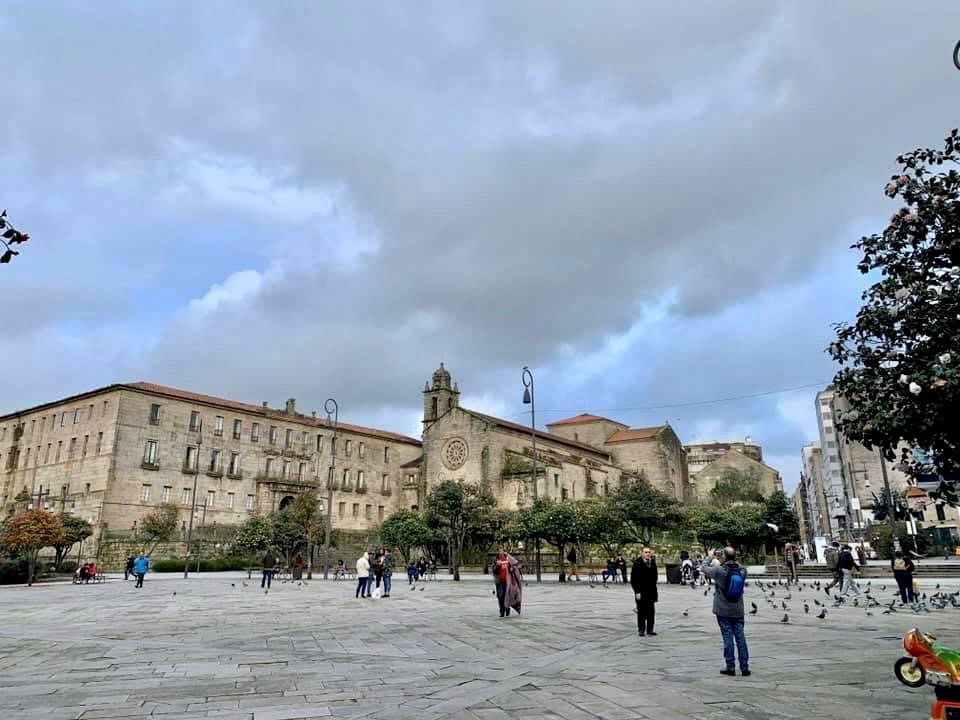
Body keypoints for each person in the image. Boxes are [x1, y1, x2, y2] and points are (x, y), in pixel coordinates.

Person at [701, 546, 750, 677]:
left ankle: (730, 666)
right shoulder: (742, 570)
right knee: (740, 637)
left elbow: (704, 568)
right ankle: (744, 667)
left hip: (723, 609)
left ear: (724, 557)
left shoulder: (719, 570)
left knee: (727, 636)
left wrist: (710, 557)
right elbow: (738, 565)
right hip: (738, 609)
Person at [631, 547, 658, 636]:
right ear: (641, 553)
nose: (648, 554)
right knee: (641, 611)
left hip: (651, 591)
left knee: (651, 612)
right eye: (646, 552)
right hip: (641, 591)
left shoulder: (652, 562)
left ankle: (650, 629)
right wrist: (637, 592)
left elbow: (655, 575)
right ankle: (641, 629)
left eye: (649, 552)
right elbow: (633, 579)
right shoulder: (637, 563)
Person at [493, 545, 523, 617]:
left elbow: (515, 564)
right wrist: (497, 565)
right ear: (497, 551)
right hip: (499, 581)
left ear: (503, 550)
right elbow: (494, 571)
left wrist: (513, 568)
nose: (500, 551)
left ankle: (507, 608)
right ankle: (502, 611)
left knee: (507, 595)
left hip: (508, 581)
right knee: (500, 596)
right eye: (499, 550)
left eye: (501, 550)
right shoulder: (496, 559)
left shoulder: (508, 558)